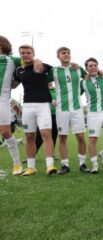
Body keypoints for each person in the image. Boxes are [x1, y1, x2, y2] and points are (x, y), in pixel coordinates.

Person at [13, 45, 57, 176]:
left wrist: (38, 60)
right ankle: (31, 167)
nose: (25, 55)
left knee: (46, 134)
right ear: (20, 55)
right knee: (29, 136)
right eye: (23, 53)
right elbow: (13, 85)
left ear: (33, 54)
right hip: (27, 106)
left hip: (43, 105)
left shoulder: (43, 66)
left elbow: (60, 70)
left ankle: (50, 165)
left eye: (28, 52)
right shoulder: (18, 70)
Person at [50, 47, 89, 174]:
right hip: (61, 109)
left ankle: (82, 163)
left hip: (77, 108)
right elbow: (43, 82)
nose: (66, 55)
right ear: (58, 56)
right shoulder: (54, 70)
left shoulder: (77, 69)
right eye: (63, 53)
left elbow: (89, 77)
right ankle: (64, 165)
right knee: (62, 137)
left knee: (80, 137)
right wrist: (51, 97)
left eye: (68, 53)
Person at [0, 35, 30, 175]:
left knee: (5, 132)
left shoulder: (11, 60)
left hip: (2, 100)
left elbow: (30, 60)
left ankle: (17, 165)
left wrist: (37, 60)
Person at [81, 57, 103, 173]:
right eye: (90, 66)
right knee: (92, 140)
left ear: (98, 67)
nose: (93, 67)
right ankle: (95, 165)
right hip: (92, 114)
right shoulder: (83, 82)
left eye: (95, 65)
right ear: (86, 69)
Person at [34, 82, 58, 160]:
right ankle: (32, 154)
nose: (49, 82)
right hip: (43, 115)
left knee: (53, 136)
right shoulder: (42, 89)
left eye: (50, 81)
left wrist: (57, 102)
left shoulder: (57, 90)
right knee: (39, 136)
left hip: (55, 116)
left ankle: (51, 155)